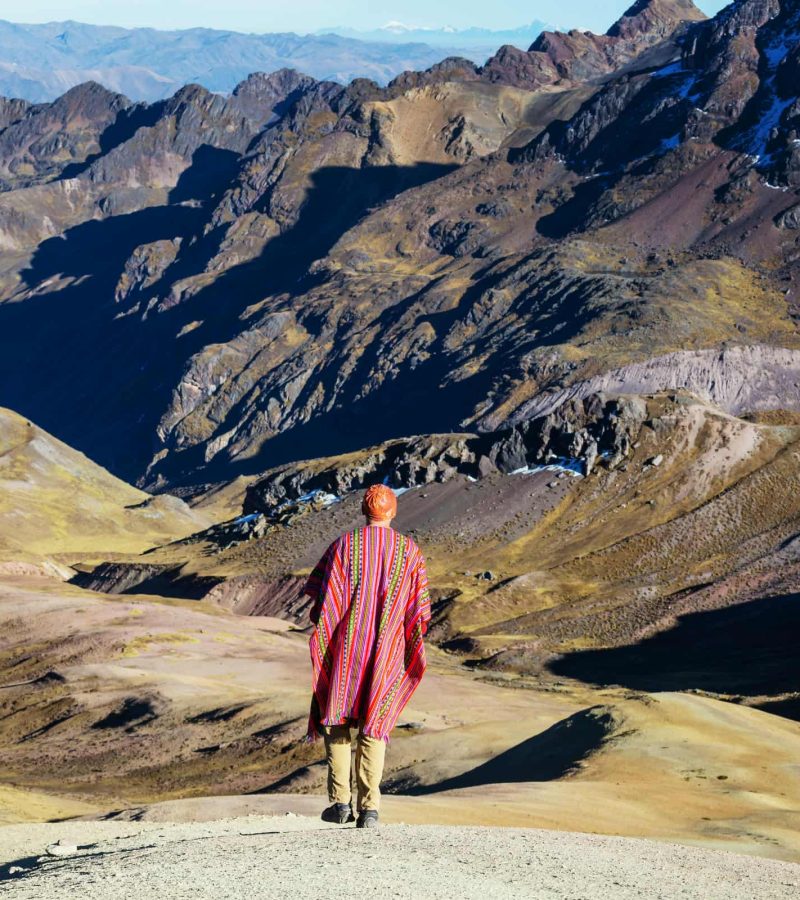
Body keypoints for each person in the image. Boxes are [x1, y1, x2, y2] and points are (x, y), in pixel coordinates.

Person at [302, 483, 431, 829]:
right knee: (376, 723)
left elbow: (324, 599)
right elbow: (420, 611)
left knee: (337, 720)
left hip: (346, 649)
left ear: (364, 510)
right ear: (392, 512)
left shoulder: (345, 546)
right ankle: (370, 809)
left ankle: (340, 803)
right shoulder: (409, 551)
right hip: (387, 651)